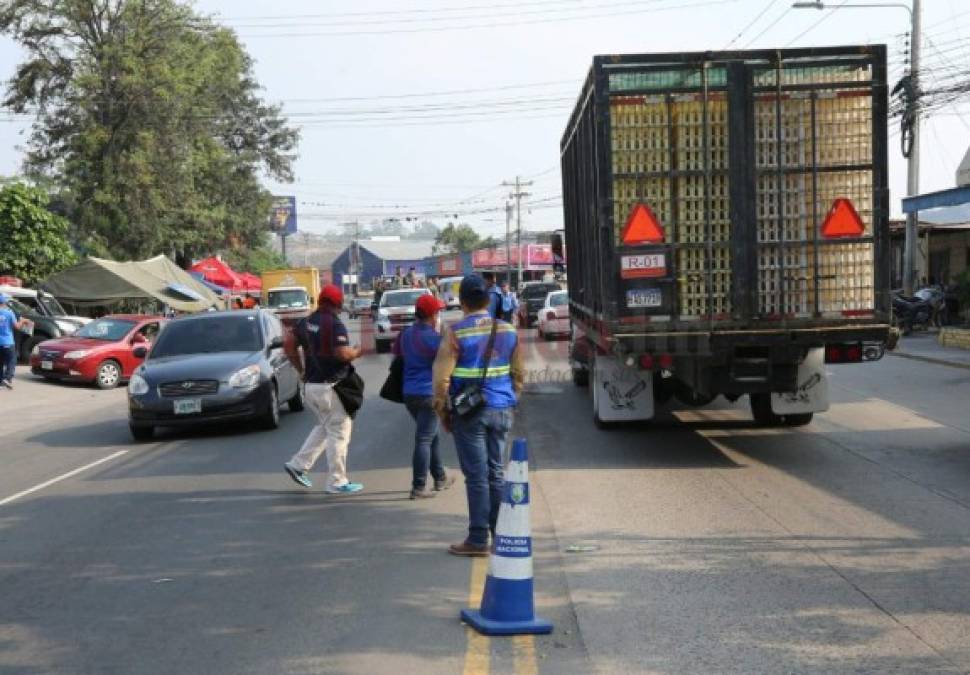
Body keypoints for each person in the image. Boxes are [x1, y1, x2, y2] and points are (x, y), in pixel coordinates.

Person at [433, 275, 524, 557]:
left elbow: (441, 381)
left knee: (476, 477)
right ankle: (500, 534)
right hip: (501, 409)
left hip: (470, 413)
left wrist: (443, 412)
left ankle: (476, 539)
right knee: (496, 473)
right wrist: (511, 399)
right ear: (489, 299)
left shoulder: (455, 332)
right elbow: (518, 374)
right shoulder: (508, 330)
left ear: (462, 302)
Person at [283, 284, 364, 494]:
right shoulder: (335, 324)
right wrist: (356, 351)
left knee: (324, 426)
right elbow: (342, 354)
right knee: (339, 432)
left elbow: (288, 345)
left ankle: (298, 465)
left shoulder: (305, 322)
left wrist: (301, 370)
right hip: (331, 386)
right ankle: (337, 482)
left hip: (311, 385)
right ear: (337, 304)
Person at [393, 294, 456, 499]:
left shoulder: (405, 334)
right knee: (424, 439)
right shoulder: (434, 339)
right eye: (437, 312)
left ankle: (440, 477)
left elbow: (398, 356)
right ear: (433, 315)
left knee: (430, 435)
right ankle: (418, 486)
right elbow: (450, 360)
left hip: (409, 394)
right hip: (429, 394)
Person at [0, 293, 32, 389]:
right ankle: (7, 377)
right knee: (12, 360)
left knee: (0, 362)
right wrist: (23, 321)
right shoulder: (9, 313)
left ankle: (1, 379)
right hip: (7, 342)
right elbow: (17, 327)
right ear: (4, 302)